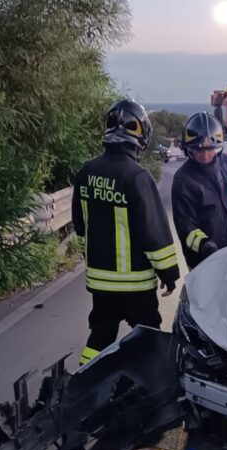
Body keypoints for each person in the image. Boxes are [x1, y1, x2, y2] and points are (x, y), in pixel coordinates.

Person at [72, 99, 180, 366]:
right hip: (135, 285)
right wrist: (169, 274)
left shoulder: (87, 172)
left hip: (100, 283)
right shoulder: (137, 176)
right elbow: (154, 232)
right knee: (148, 339)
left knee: (99, 337)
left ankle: (82, 386)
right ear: (141, 136)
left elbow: (80, 225)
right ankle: (148, 389)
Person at [171, 112, 227, 269]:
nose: (205, 155)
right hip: (204, 263)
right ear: (188, 149)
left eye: (210, 149)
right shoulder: (184, 180)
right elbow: (186, 226)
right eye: (199, 150)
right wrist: (204, 245)